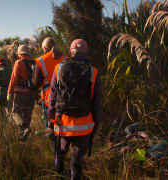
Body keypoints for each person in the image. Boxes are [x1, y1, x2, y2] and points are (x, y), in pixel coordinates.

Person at [47, 39, 102, 179]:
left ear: (70, 52)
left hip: (62, 123)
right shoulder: (93, 71)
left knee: (60, 154)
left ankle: (57, 176)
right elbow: (97, 102)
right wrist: (96, 123)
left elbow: (52, 96)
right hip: (84, 125)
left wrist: (50, 119)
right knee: (77, 160)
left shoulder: (58, 68)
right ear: (86, 52)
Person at [32, 37, 66, 153]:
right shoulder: (65, 58)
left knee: (50, 128)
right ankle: (63, 150)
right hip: (65, 98)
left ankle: (56, 154)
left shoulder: (40, 61)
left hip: (48, 99)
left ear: (45, 48)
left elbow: (36, 83)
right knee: (63, 125)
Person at [7, 45, 37, 141]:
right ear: (28, 52)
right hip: (32, 93)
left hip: (21, 93)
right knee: (27, 115)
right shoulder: (35, 62)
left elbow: (14, 79)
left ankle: (24, 128)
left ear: (20, 53)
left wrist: (9, 92)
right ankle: (23, 140)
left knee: (15, 112)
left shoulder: (18, 62)